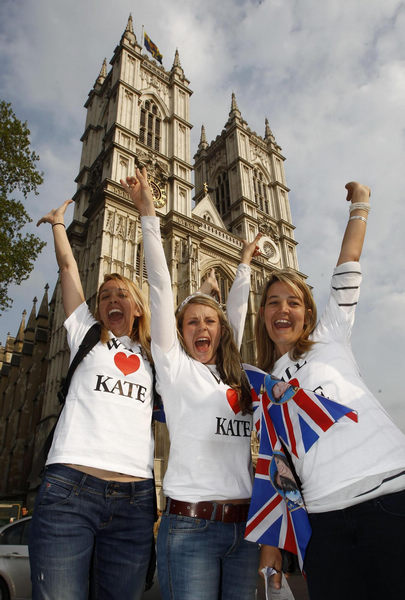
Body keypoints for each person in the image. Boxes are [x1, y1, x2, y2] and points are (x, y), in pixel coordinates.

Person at [254, 182, 405, 599]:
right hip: (324, 521)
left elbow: (348, 262)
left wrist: (361, 204)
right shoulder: (265, 387)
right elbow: (277, 471)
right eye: (273, 302)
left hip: (390, 497)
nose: (283, 308)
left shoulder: (331, 336)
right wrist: (271, 557)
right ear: (262, 314)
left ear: (308, 312)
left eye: (294, 301)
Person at [121, 167, 261, 600]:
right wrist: (147, 213)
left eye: (210, 322)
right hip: (191, 529)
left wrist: (242, 266)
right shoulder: (176, 369)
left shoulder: (235, 376)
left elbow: (235, 314)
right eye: (192, 323)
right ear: (179, 333)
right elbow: (161, 288)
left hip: (244, 531)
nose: (203, 328)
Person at [29, 200, 156, 600]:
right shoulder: (85, 334)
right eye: (104, 296)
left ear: (137, 306)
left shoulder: (155, 355)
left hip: (135, 501)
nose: (112, 300)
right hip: (70, 488)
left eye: (122, 294)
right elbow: (69, 270)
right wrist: (59, 225)